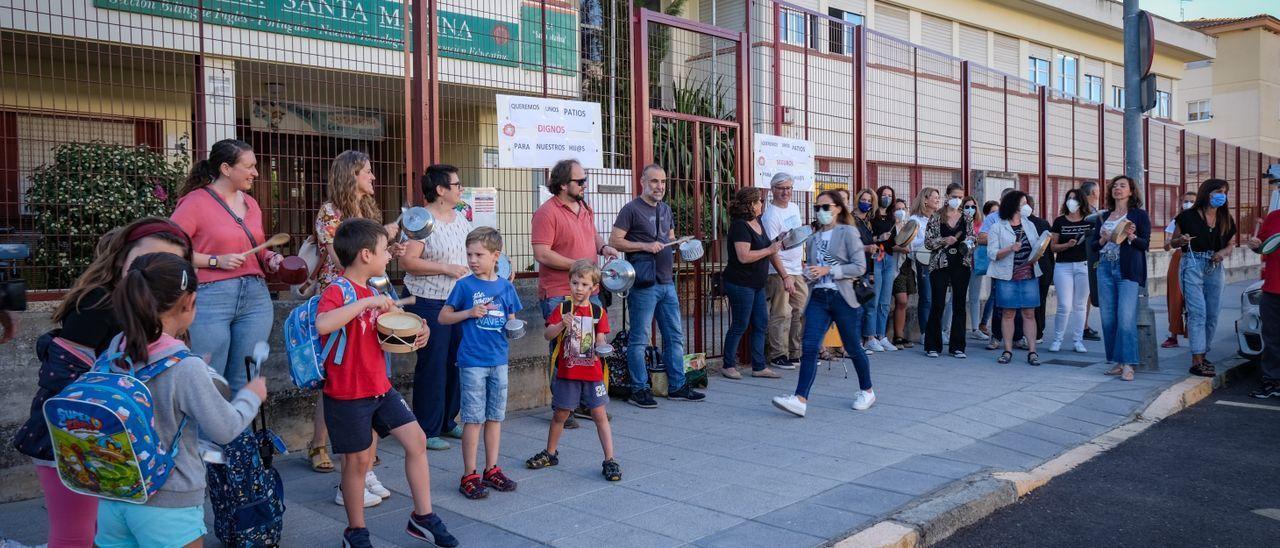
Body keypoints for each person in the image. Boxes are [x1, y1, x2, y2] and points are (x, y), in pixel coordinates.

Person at [12, 218, 190, 548]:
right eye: (144, 261)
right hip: (70, 437)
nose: (152, 273)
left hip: (121, 444)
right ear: (122, 259)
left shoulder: (166, 313)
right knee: (76, 535)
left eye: (167, 265)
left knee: (106, 536)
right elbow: (63, 378)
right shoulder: (96, 303)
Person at [94, 253, 267, 548]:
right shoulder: (184, 366)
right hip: (167, 502)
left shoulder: (117, 347)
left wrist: (199, 369)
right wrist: (251, 397)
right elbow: (225, 428)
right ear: (188, 302)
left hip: (115, 493)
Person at [315, 219, 453, 547]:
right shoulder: (338, 290)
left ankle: (423, 517)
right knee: (357, 461)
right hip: (348, 393)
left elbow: (387, 333)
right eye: (382, 251)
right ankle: (356, 531)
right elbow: (323, 325)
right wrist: (366, 303)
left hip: (380, 387)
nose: (388, 256)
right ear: (365, 255)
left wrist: (420, 331)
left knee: (417, 441)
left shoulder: (377, 288)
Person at [309, 150, 405, 488]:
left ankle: (365, 460)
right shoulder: (330, 213)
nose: (373, 177)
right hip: (343, 300)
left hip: (372, 294)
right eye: (367, 171)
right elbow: (340, 260)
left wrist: (389, 250)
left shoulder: (368, 210)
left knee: (372, 370)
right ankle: (323, 445)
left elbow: (370, 259)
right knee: (338, 375)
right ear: (352, 175)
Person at [171, 139, 282, 392]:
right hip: (212, 296)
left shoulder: (251, 204)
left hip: (256, 297)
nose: (256, 173)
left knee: (246, 377)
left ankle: (238, 432)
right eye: (250, 166)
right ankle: (205, 433)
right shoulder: (195, 202)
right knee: (209, 378)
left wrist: (270, 258)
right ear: (226, 168)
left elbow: (258, 248)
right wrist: (214, 260)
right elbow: (171, 248)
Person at [771, 190, 874, 417]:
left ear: (838, 208)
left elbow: (859, 267)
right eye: (817, 208)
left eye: (825, 207)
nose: (821, 212)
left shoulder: (848, 233)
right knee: (809, 346)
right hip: (819, 296)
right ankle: (800, 399)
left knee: (853, 347)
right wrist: (810, 273)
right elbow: (815, 269)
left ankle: (867, 390)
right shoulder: (815, 237)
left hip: (843, 297)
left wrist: (829, 270)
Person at [532, 159, 619, 428]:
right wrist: (579, 267)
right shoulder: (547, 213)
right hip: (560, 291)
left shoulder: (584, 207)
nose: (584, 185)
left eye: (584, 180)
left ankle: (584, 403)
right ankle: (562, 407)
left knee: (587, 347)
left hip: (589, 289)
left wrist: (604, 248)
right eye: (580, 181)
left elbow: (592, 236)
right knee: (563, 348)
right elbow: (542, 253)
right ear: (562, 185)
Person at [609, 164, 705, 407]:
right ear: (642, 181)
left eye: (662, 182)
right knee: (639, 339)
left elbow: (668, 238)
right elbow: (615, 241)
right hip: (643, 284)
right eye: (654, 181)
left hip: (666, 282)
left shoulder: (665, 209)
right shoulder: (630, 209)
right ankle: (639, 389)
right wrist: (644, 246)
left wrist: (680, 244)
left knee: (675, 336)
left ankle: (677, 386)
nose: (659, 186)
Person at [441, 227, 522, 500]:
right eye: (469, 254)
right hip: (472, 361)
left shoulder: (505, 287)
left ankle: (492, 469)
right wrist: (469, 312)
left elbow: (512, 318)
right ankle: (469, 474)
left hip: (499, 360)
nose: (472, 260)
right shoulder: (464, 285)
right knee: (473, 419)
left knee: (495, 417)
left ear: (495, 256)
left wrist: (514, 326)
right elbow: (443, 317)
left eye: (479, 254)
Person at [525, 260, 621, 481]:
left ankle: (610, 459)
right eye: (575, 282)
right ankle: (550, 453)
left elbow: (601, 339)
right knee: (560, 413)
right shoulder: (562, 308)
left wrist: (604, 348)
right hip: (568, 372)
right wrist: (561, 325)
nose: (578, 288)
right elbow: (548, 335)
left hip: (592, 373)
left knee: (599, 414)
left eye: (584, 284)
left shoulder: (597, 312)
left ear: (593, 288)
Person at [401, 164, 472, 451]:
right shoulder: (421, 219)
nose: (460, 189)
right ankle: (426, 427)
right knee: (433, 364)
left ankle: (447, 420)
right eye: (456, 185)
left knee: (456, 360)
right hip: (427, 301)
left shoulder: (461, 218)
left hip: (456, 301)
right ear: (441, 190)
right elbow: (407, 262)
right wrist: (444, 268)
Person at [1170, 179, 1236, 377]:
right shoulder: (1186, 217)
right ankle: (1196, 359)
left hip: (1215, 266)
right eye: (1218, 191)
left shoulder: (1225, 218)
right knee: (1197, 312)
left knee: (1212, 314)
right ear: (1206, 193)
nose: (1221, 195)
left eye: (1224, 192)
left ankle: (1203, 352)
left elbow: (1231, 244)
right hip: (1192, 263)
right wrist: (1180, 240)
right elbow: (1171, 243)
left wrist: (1222, 253)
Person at [721, 187, 785, 379]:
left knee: (761, 323)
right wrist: (769, 249)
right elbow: (743, 256)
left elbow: (767, 248)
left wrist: (775, 248)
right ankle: (728, 364)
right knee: (740, 323)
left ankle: (759, 366)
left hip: (756, 283)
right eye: (759, 201)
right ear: (750, 204)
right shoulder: (740, 225)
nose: (761, 204)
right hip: (740, 283)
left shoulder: (757, 222)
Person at [1092, 176, 1151, 381]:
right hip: (1105, 268)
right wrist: (1102, 239)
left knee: (1126, 319)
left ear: (1131, 191)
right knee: (1109, 319)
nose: (1117, 189)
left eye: (1122, 186)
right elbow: (1092, 246)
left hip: (1127, 270)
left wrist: (1132, 236)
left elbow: (1145, 245)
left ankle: (1128, 364)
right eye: (1115, 186)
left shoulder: (1139, 215)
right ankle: (1118, 361)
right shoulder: (1104, 216)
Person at [987, 190, 1044, 366]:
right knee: (1008, 313)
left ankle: (1032, 351)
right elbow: (992, 253)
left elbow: (1036, 247)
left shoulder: (1029, 225)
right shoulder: (997, 227)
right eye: (1023, 203)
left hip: (1028, 274)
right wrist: (1010, 248)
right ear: (1013, 205)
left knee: (1029, 313)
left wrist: (1041, 248)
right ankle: (1007, 349)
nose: (1027, 206)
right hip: (1007, 276)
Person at [761, 173, 807, 370]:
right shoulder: (770, 215)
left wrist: (802, 262)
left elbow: (797, 237)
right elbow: (772, 250)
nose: (785, 192)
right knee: (782, 313)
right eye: (781, 188)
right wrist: (785, 275)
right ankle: (778, 354)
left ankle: (795, 352)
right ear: (772, 190)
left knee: (801, 310)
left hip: (797, 268)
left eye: (788, 188)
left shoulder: (795, 208)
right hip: (779, 271)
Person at [923, 183, 972, 358]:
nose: (957, 200)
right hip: (940, 264)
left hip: (961, 264)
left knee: (959, 304)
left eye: (960, 197)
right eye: (954, 196)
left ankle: (958, 346)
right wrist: (944, 240)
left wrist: (967, 245)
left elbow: (972, 238)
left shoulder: (966, 218)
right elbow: (928, 242)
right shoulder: (936, 217)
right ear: (947, 196)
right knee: (937, 303)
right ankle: (932, 345)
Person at [1048, 188, 1093, 353]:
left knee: (1080, 305)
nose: (1071, 201)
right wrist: (1066, 245)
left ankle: (1078, 340)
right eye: (1069, 198)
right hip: (1063, 266)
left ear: (1082, 201)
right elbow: (1053, 246)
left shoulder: (1089, 221)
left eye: (1074, 198)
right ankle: (1057, 339)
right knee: (1064, 305)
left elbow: (1095, 244)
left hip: (1083, 266)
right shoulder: (1060, 221)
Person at [1243, 208, 1280, 399]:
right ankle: (1272, 382)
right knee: (1272, 339)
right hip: (1273, 289)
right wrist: (1254, 244)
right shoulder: (1274, 217)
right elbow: (1262, 245)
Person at [865, 186, 900, 352]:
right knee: (874, 300)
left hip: (889, 258)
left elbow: (894, 242)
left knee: (885, 301)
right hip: (876, 258)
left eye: (890, 196)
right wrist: (879, 238)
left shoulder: (893, 218)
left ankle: (882, 335)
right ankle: (870, 337)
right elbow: (866, 239)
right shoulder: (871, 216)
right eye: (884, 195)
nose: (886, 198)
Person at [1162, 191, 1199, 348]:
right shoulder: (1176, 220)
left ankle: (1195, 335)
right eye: (1185, 201)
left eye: (1191, 201)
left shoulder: (1202, 220)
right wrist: (1172, 241)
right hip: (1179, 258)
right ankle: (1173, 335)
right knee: (1175, 297)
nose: (1188, 204)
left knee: (1195, 297)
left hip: (1198, 259)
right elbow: (1166, 245)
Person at [908, 188, 941, 344]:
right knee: (927, 297)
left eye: (938, 197)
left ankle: (937, 331)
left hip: (940, 263)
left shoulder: (939, 218)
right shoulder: (915, 220)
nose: (937, 200)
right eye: (935, 197)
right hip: (924, 262)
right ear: (925, 200)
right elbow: (911, 243)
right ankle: (925, 332)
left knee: (939, 298)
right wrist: (932, 243)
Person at [1027, 195, 1055, 345]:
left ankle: (1034, 333)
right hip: (1044, 267)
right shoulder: (1043, 223)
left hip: (1037, 268)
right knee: (1039, 301)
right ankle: (1038, 332)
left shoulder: (1040, 223)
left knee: (1033, 302)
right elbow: (1050, 251)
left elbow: (1048, 248)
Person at [889, 199, 916, 348]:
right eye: (897, 209)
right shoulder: (891, 227)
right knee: (902, 299)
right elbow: (887, 246)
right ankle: (892, 335)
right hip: (895, 266)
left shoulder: (909, 226)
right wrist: (898, 248)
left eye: (903, 208)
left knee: (903, 304)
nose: (901, 211)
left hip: (908, 266)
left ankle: (899, 335)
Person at [1080, 180, 1103, 342]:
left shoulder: (1091, 210)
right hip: (1084, 255)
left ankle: (1084, 325)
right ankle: (1082, 327)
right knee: (1084, 295)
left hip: (1089, 255)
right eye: (1098, 190)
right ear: (1094, 193)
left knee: (1086, 294)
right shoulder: (1088, 212)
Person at [975, 200, 1000, 340]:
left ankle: (985, 323)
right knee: (994, 293)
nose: (995, 214)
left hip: (999, 260)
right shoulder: (986, 224)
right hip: (988, 261)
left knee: (995, 293)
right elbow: (980, 239)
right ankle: (983, 323)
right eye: (992, 212)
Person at [962, 196, 986, 341]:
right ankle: (946, 329)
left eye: (973, 206)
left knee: (975, 297)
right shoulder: (959, 222)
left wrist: (977, 239)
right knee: (956, 297)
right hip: (962, 263)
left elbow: (985, 238)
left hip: (976, 264)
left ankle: (975, 328)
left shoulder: (980, 224)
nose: (970, 209)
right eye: (967, 206)